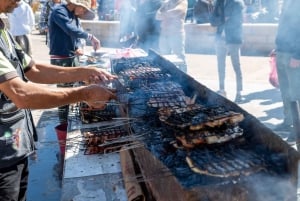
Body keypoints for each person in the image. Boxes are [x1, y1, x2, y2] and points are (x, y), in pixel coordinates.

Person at [0, 0, 117, 200]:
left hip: (15, 145)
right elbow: (21, 94)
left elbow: (33, 70)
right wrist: (84, 94)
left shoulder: (2, 29)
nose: (20, 0)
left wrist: (83, 72)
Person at [49, 0, 100, 122]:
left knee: (79, 85)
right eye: (82, 8)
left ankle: (80, 114)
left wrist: (78, 46)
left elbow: (76, 34)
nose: (83, 11)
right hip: (61, 58)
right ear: (74, 4)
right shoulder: (59, 11)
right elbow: (70, 29)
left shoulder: (74, 15)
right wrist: (91, 37)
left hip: (72, 56)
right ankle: (63, 121)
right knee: (64, 92)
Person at [274, 0, 300, 142]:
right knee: (285, 91)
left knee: (296, 94)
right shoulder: (286, 3)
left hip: (293, 55)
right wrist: (278, 47)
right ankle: (288, 121)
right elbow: (284, 27)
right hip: (282, 52)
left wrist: (298, 55)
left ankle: (298, 129)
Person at [213, 0, 245, 103]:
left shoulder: (237, 3)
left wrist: (220, 19)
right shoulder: (218, 2)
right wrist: (224, 19)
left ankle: (239, 92)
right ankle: (222, 90)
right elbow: (212, 20)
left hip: (233, 39)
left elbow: (237, 20)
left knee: (236, 66)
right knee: (220, 66)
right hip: (220, 39)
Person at [155, 0, 188, 73]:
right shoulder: (166, 2)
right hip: (164, 34)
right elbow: (157, 16)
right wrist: (166, 15)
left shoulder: (182, 2)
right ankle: (167, 75)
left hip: (176, 34)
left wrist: (163, 14)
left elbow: (176, 12)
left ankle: (185, 76)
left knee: (180, 57)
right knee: (164, 56)